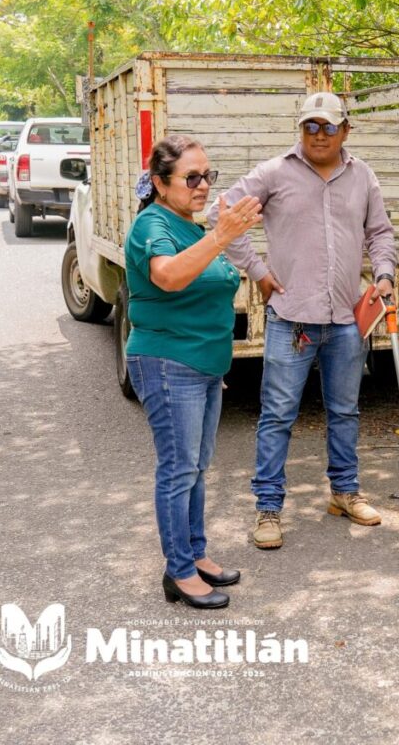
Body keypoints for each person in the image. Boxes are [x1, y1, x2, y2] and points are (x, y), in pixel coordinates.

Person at [208, 91, 398, 549]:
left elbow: (380, 232)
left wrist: (386, 273)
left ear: (345, 130)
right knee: (277, 415)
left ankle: (344, 492)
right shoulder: (275, 173)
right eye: (310, 126)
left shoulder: (362, 175)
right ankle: (268, 510)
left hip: (346, 319)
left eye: (328, 126)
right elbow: (224, 213)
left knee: (345, 411)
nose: (318, 134)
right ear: (300, 130)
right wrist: (256, 270)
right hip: (291, 319)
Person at [126, 135, 263, 609]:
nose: (203, 185)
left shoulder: (190, 224)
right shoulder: (153, 225)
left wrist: (213, 365)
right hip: (167, 363)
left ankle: (195, 554)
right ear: (162, 184)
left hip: (203, 367)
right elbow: (167, 277)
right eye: (192, 177)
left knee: (196, 468)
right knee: (178, 468)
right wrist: (222, 235)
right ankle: (178, 572)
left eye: (208, 175)